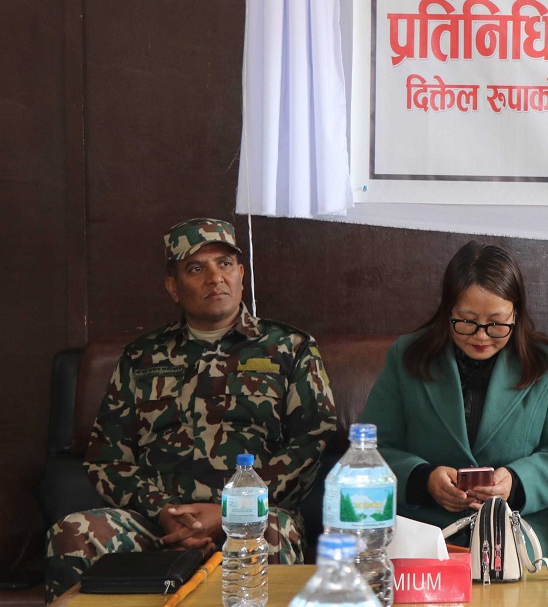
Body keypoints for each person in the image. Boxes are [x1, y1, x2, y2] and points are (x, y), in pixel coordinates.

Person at [44, 218, 338, 600]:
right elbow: (107, 459)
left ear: (241, 273)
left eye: (225, 264)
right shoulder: (142, 357)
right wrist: (164, 512)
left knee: (273, 533)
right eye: (196, 269)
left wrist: (232, 510)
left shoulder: (291, 348)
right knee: (73, 532)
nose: (215, 278)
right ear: (173, 287)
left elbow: (311, 443)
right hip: (157, 521)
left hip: (254, 516)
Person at [360, 241, 548, 558]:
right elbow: (370, 451)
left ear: (516, 314)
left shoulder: (547, 364)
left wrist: (516, 483)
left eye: (496, 323)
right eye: (467, 321)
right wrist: (423, 480)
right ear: (448, 311)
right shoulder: (408, 357)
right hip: (425, 530)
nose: (481, 336)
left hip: (518, 529)